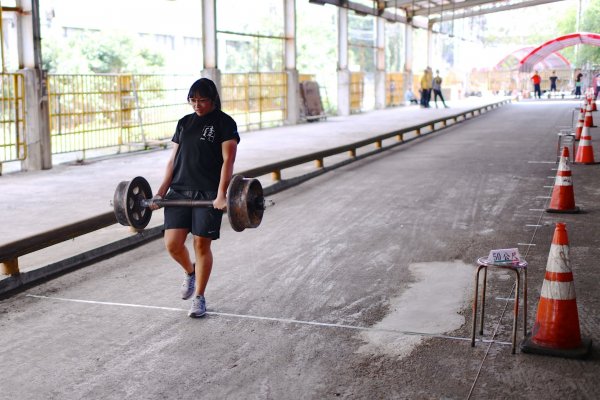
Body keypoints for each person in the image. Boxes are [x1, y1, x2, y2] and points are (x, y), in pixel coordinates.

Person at [150, 78, 240, 318]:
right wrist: (160, 192)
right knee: (172, 245)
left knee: (201, 244)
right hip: (179, 190)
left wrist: (221, 195)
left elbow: (228, 161)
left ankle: (199, 297)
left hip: (208, 192)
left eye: (202, 100)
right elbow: (172, 161)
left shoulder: (225, 123)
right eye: (193, 100)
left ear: (213, 100)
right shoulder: (184, 123)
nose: (197, 105)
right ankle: (190, 272)